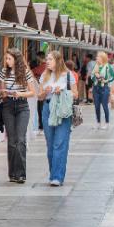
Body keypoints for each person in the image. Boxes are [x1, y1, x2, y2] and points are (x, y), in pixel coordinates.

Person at [38, 51, 77, 186]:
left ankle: (57, 177)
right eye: (47, 59)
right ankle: (53, 173)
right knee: (50, 145)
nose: (47, 61)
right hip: (48, 109)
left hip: (62, 110)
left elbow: (76, 94)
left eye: (50, 59)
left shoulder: (68, 75)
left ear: (58, 60)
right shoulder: (44, 75)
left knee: (59, 144)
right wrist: (46, 91)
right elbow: (40, 97)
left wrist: (62, 91)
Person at [0, 48, 36, 183]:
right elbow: (1, 91)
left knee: (20, 139)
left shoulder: (26, 72)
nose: (6, 61)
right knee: (12, 140)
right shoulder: (4, 72)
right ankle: (12, 173)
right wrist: (4, 92)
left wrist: (19, 94)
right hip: (8, 106)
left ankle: (21, 174)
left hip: (22, 106)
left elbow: (32, 92)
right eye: (6, 58)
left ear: (16, 59)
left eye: (9, 58)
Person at [91, 51, 114, 130]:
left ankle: (107, 123)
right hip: (96, 88)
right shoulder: (96, 66)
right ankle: (98, 123)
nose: (96, 58)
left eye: (98, 56)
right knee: (97, 106)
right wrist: (96, 77)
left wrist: (106, 80)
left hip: (104, 88)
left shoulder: (108, 66)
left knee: (105, 106)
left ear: (102, 58)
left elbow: (113, 76)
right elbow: (91, 76)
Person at [32, 52, 47, 133]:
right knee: (42, 108)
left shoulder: (43, 66)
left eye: (38, 58)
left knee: (41, 108)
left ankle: (42, 124)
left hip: (41, 90)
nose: (37, 60)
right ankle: (43, 124)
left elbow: (33, 71)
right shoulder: (46, 66)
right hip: (44, 91)